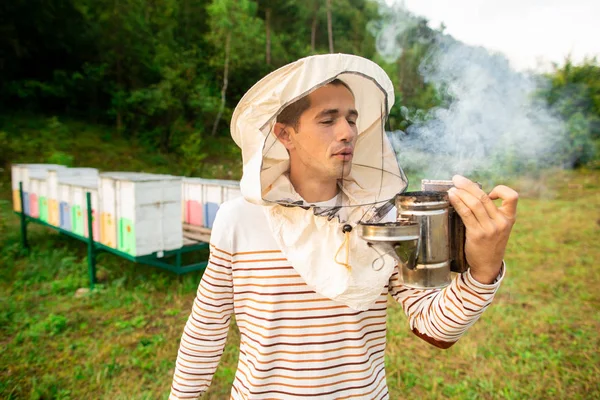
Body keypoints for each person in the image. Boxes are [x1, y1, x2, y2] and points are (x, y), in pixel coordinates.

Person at [169, 54, 518, 399]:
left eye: (352, 119)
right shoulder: (238, 219)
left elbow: (433, 325)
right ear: (285, 133)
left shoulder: (384, 219)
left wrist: (484, 269)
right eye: (328, 120)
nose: (347, 132)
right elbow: (206, 330)